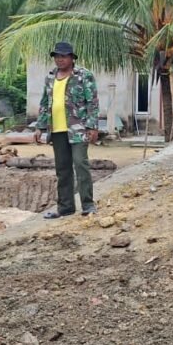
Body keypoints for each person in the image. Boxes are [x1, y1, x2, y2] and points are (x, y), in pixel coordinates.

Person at [34, 41, 100, 218]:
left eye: (63, 56)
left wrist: (92, 126)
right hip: (56, 130)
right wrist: (40, 127)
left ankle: (88, 205)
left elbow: (92, 102)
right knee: (62, 169)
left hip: (78, 130)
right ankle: (65, 208)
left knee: (80, 164)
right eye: (57, 56)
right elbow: (44, 103)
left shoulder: (83, 76)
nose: (59, 60)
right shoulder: (50, 77)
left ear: (71, 58)